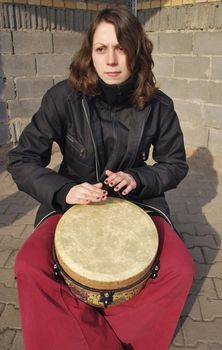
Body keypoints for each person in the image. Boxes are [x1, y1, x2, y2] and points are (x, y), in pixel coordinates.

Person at [8, 7, 194, 350]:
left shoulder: (160, 106)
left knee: (179, 269)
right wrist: (65, 190)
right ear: (89, 53)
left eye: (121, 48)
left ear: (136, 52)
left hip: (137, 204)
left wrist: (140, 178)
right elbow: (21, 159)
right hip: (72, 205)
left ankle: (101, 332)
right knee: (30, 266)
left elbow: (175, 164)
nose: (111, 60)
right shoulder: (62, 98)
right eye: (101, 48)